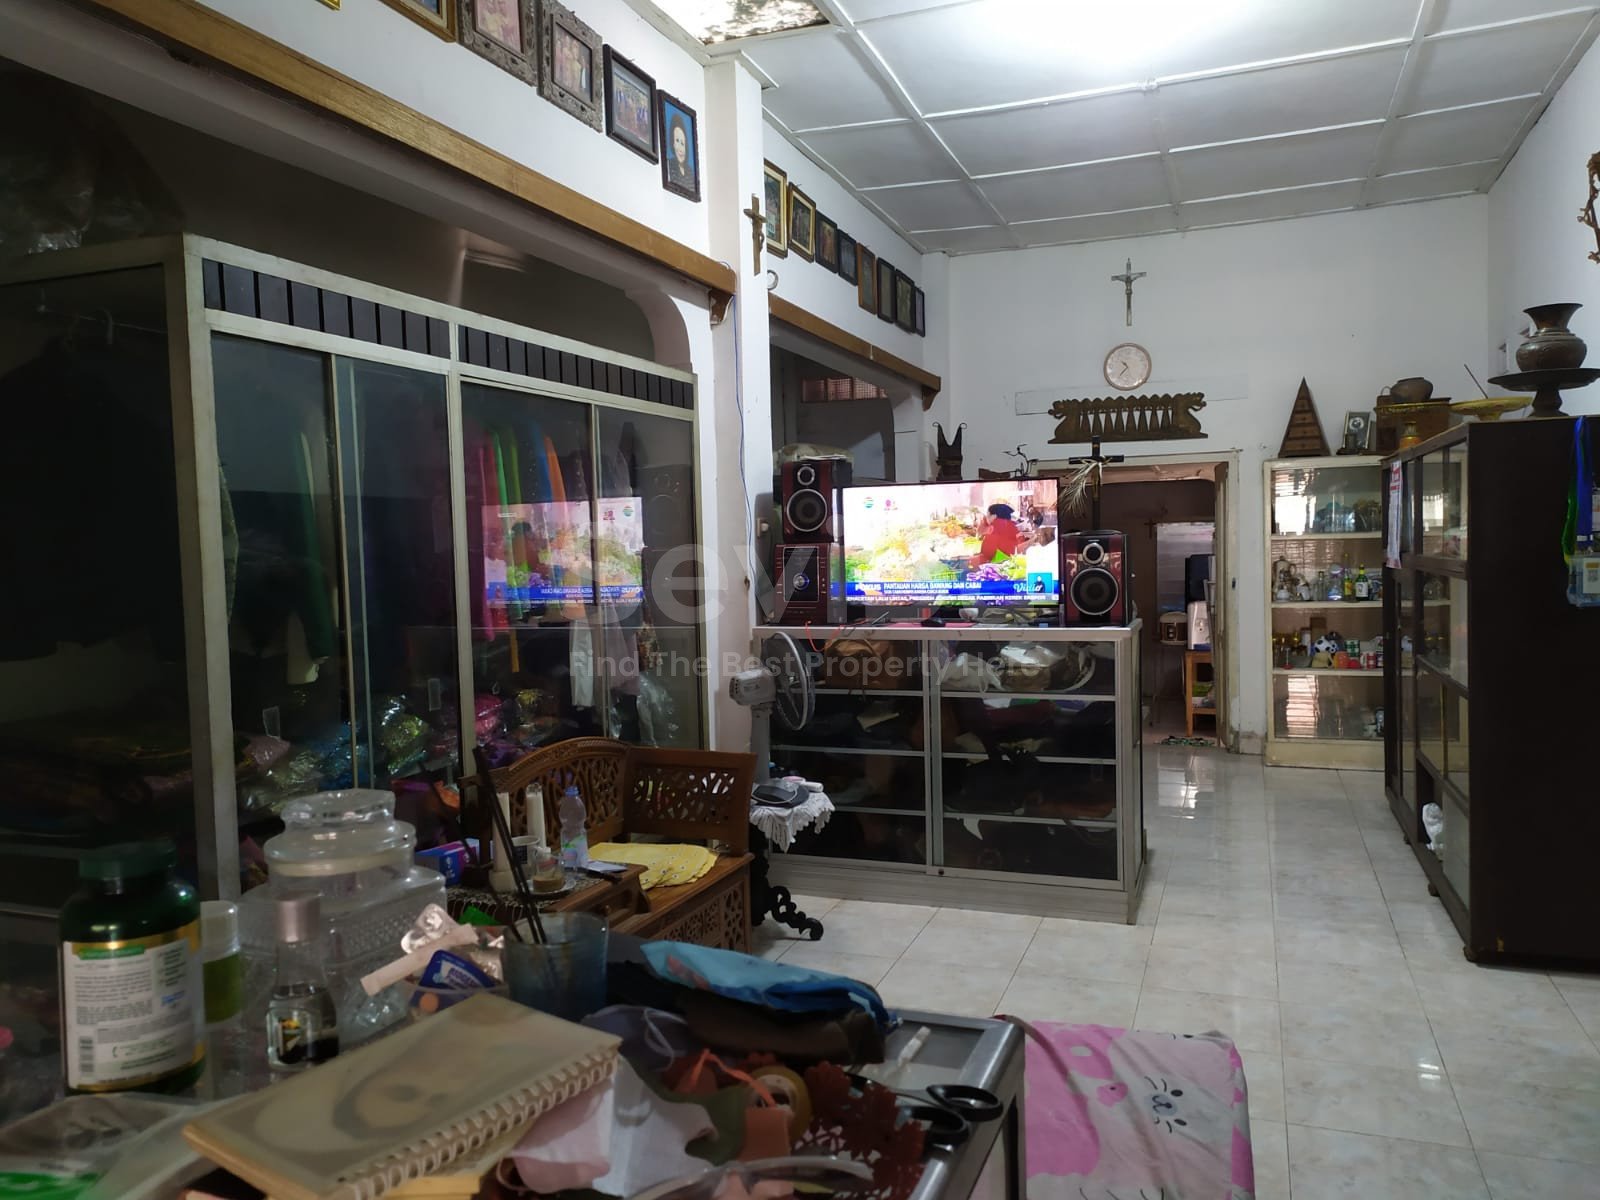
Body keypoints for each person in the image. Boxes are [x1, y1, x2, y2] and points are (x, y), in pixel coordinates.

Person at [666, 114, 693, 191]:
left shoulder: (690, 173)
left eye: (682, 143)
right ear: (673, 144)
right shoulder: (669, 165)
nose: (681, 149)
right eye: (677, 141)